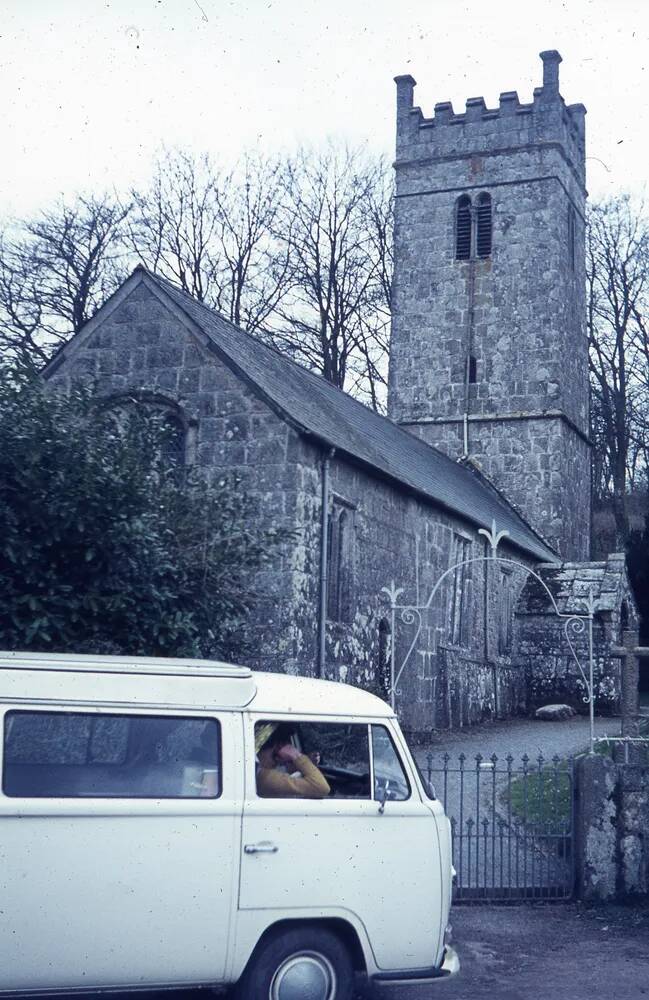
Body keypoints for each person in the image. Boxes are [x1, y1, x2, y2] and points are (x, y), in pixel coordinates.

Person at [255, 723, 330, 798]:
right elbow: (322, 788)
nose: (280, 761)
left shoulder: (256, 771)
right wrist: (296, 755)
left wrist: (305, 761)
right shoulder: (264, 778)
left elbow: (284, 770)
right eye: (276, 754)